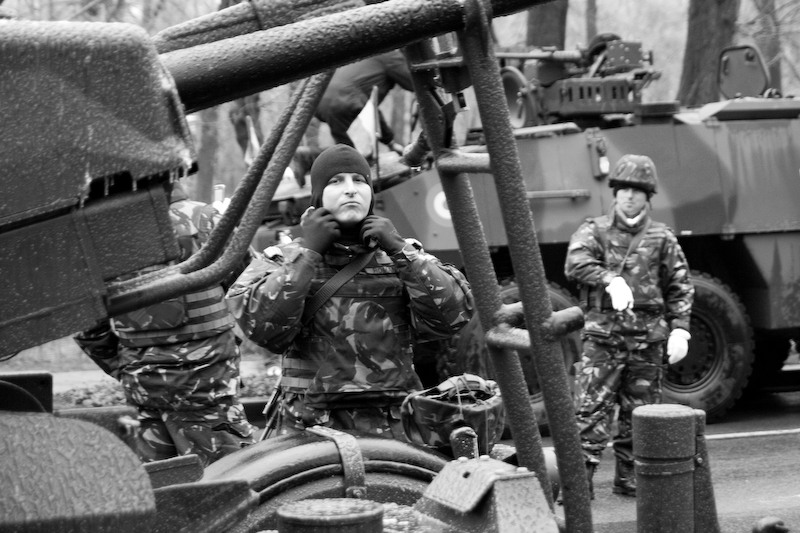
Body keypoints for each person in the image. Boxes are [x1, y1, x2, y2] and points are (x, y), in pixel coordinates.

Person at [226, 144, 473, 440]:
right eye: (336, 181)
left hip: (395, 427)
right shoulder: (283, 259)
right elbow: (262, 329)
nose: (350, 190)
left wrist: (399, 249)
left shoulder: (401, 255)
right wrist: (308, 254)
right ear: (318, 195)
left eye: (359, 180)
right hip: (309, 428)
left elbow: (453, 317)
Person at [74, 181, 256, 466]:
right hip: (207, 387)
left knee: (156, 486)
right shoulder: (207, 218)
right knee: (231, 478)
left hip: (142, 388)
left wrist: (127, 367)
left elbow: (86, 324)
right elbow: (249, 286)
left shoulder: (97, 234)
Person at [564, 154, 694, 498]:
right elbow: (575, 262)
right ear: (615, 193)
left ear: (648, 196)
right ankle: (579, 482)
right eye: (623, 189)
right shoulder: (594, 230)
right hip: (603, 341)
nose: (629, 195)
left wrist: (680, 328)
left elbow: (680, 285)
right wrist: (609, 279)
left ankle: (631, 477)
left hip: (647, 342)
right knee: (589, 411)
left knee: (641, 414)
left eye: (636, 190)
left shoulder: (662, 238)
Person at [315, 50, 414, 155]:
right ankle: (308, 157)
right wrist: (390, 142)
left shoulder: (365, 51)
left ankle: (308, 157)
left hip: (321, 100)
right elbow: (415, 83)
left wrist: (390, 142)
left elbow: (370, 110)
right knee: (358, 155)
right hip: (346, 101)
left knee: (345, 151)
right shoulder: (389, 54)